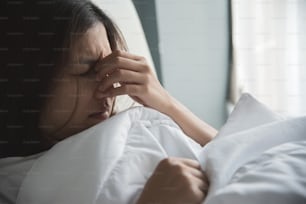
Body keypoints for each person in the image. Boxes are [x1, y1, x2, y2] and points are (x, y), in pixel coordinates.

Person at [0, 0, 217, 203]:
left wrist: (166, 102)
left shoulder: (139, 121)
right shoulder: (16, 184)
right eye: (85, 71)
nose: (109, 88)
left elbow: (236, 151)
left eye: (110, 70)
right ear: (27, 81)